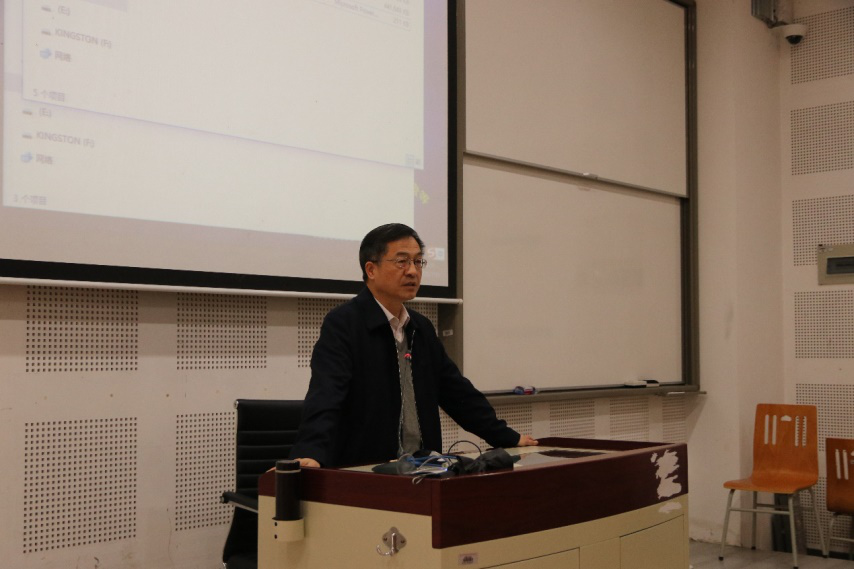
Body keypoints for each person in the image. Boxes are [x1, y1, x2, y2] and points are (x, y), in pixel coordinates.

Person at [290, 223, 537, 468]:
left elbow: (457, 394)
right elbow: (326, 395)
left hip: (424, 468)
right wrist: (310, 452)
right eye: (401, 262)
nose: (412, 271)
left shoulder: (420, 328)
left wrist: (507, 437)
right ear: (371, 269)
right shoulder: (344, 324)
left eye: (418, 262)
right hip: (367, 471)